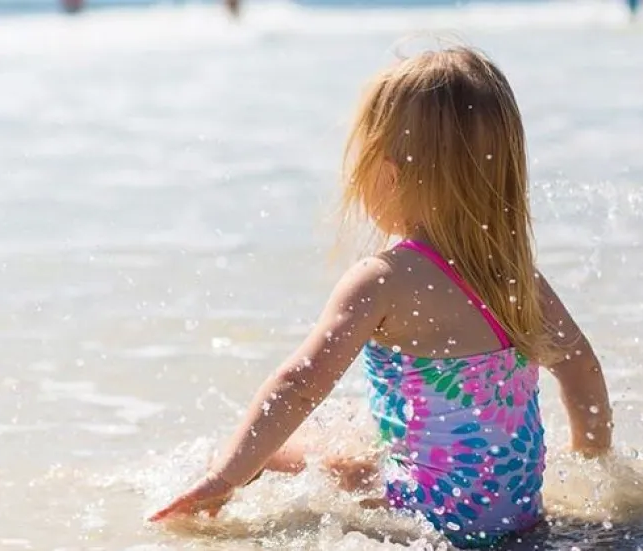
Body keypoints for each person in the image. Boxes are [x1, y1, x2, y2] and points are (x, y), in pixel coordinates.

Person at [147, 45, 614, 549]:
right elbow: (579, 365)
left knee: (272, 455)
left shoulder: (383, 279)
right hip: (517, 517)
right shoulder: (517, 276)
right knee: (353, 424)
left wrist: (226, 476)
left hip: (430, 520)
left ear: (387, 175)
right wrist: (592, 464)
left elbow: (299, 384)